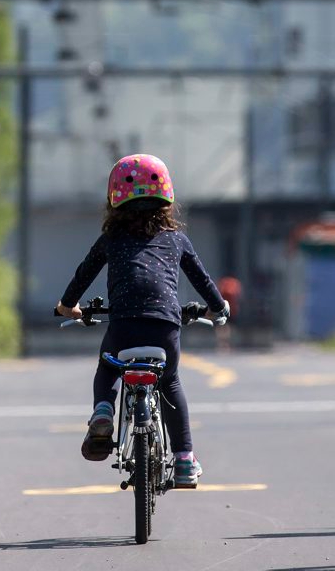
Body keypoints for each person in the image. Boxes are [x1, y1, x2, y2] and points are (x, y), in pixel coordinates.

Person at [56, 154, 229, 488]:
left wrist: (68, 306)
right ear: (167, 200)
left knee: (108, 367)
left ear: (114, 202)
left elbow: (82, 275)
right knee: (171, 383)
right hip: (165, 326)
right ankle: (183, 462)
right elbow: (203, 281)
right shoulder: (177, 239)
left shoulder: (111, 240)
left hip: (123, 327)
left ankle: (104, 411)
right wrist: (217, 308)